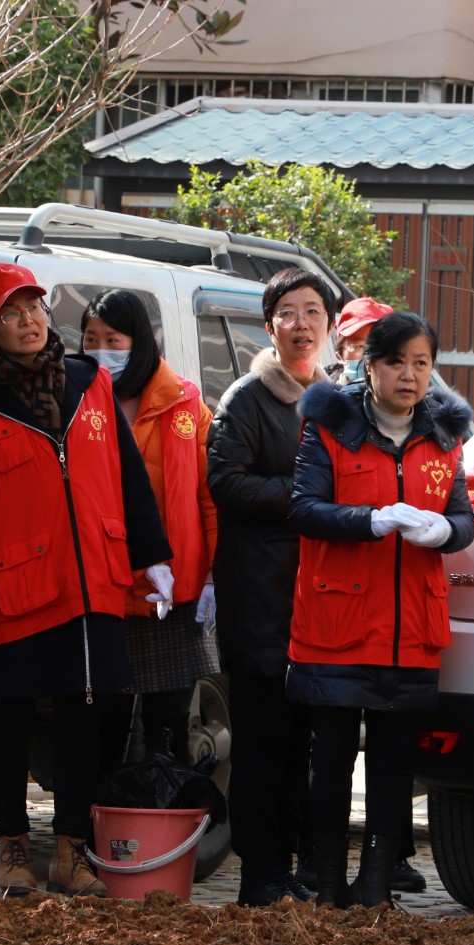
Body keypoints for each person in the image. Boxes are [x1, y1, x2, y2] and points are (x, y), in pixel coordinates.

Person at [0, 262, 172, 897]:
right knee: (9, 718)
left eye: (34, 307)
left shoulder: (89, 381)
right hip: (13, 584)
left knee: (83, 717)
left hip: (93, 578)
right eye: (11, 315)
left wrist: (154, 555)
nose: (28, 322)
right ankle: (11, 846)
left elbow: (128, 473)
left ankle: (72, 849)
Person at [288, 310, 474, 908]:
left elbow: (464, 518)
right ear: (369, 367)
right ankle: (327, 881)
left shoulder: (445, 435)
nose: (409, 375)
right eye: (396, 362)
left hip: (410, 626)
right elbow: (303, 508)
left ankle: (375, 887)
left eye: (421, 363)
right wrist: (369, 520)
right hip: (337, 622)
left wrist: (445, 531)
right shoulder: (330, 425)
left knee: (394, 765)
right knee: (332, 759)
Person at [207, 267, 334, 907]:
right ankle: (260, 875)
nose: (301, 323)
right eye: (289, 312)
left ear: (328, 325)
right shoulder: (247, 399)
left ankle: (298, 869)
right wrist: (305, 498)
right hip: (260, 595)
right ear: (269, 326)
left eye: (313, 311)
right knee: (262, 743)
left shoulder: (336, 400)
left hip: (321, 599)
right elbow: (225, 483)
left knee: (305, 743)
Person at [80, 289, 218, 765]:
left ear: (138, 341)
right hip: (103, 592)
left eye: (113, 340)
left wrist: (215, 574)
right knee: (101, 728)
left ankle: (168, 812)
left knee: (168, 728)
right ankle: (97, 813)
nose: (100, 350)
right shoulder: (75, 402)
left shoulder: (186, 405)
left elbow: (209, 498)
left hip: (172, 594)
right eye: (91, 339)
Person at [329, 295, 391, 382]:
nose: (369, 356)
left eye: (379, 347)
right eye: (361, 346)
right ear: (339, 356)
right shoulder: (322, 388)